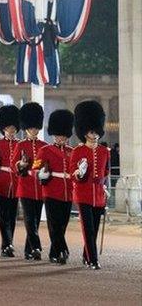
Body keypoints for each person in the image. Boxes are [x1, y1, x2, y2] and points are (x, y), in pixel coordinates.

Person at [70, 100, 109, 270]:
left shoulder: (104, 151)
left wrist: (105, 188)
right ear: (85, 132)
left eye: (96, 131)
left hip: (99, 194)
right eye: (91, 132)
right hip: (83, 192)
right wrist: (80, 172)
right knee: (88, 229)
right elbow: (73, 172)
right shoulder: (77, 151)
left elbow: (106, 173)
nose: (94, 135)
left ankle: (86, 255)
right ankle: (93, 259)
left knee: (95, 226)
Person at [37, 109, 75, 264]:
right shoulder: (44, 150)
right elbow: (35, 168)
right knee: (54, 224)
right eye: (59, 135)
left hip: (67, 192)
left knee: (63, 224)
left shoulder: (71, 152)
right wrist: (42, 174)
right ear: (54, 134)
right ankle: (61, 250)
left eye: (64, 136)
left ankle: (55, 252)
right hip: (51, 191)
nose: (62, 138)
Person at [13, 102, 47, 260]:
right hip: (25, 186)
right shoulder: (20, 145)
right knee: (29, 218)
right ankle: (37, 246)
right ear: (26, 128)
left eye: (35, 128)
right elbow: (14, 165)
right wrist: (20, 165)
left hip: (40, 188)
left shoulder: (44, 146)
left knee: (36, 219)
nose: (33, 130)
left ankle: (29, 250)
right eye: (31, 128)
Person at [0, 105, 21, 257]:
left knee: (12, 216)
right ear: (4, 128)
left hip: (15, 185)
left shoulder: (19, 144)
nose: (12, 130)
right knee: (3, 216)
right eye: (9, 127)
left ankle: (9, 242)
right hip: (1, 184)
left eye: (14, 127)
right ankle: (7, 244)